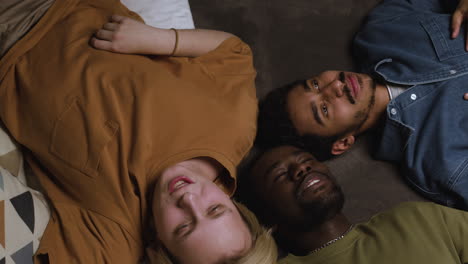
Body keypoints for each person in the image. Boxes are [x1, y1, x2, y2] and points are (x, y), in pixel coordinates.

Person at [0, 0, 277, 263]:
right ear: (238, 208)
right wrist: (161, 39)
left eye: (183, 227)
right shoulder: (234, 127)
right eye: (215, 209)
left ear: (161, 246)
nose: (189, 198)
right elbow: (234, 53)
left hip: (8, 48)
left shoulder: (115, 235)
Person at [256, 0, 468, 209]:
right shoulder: (438, 164)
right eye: (324, 109)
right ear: (343, 143)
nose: (336, 85)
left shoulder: (383, 27)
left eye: (315, 84)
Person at [240, 145, 468, 263]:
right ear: (265, 216)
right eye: (279, 176)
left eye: (307, 160)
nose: (301, 169)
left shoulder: (416, 218)